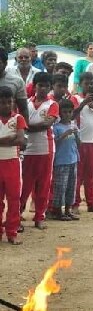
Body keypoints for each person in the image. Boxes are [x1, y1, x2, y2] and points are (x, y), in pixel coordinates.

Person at [20, 72, 59, 230]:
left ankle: (39, 217)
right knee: (25, 185)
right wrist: (28, 126)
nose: (43, 88)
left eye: (46, 86)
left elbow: (46, 125)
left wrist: (27, 126)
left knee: (43, 184)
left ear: (50, 87)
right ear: (34, 86)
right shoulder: (27, 104)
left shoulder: (52, 104)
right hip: (28, 149)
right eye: (40, 85)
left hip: (45, 148)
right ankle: (17, 215)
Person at [0, 86, 27, 244]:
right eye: (2, 102)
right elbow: (14, 139)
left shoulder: (18, 118)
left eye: (9, 102)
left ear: (13, 102)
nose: (6, 105)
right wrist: (8, 140)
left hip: (12, 164)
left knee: (13, 199)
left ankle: (12, 232)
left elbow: (20, 141)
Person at [73, 72, 93, 214]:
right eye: (86, 83)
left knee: (91, 173)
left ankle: (91, 202)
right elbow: (71, 115)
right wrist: (84, 103)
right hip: (80, 141)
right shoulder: (75, 98)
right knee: (78, 174)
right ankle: (75, 203)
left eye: (92, 83)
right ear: (80, 84)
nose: (89, 86)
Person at [50, 99, 79, 221]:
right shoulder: (56, 127)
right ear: (60, 113)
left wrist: (77, 134)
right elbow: (54, 142)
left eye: (70, 112)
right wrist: (64, 134)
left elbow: (79, 143)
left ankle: (68, 209)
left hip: (73, 159)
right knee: (60, 187)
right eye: (65, 112)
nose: (67, 114)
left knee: (71, 186)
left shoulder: (73, 125)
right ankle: (58, 211)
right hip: (61, 161)